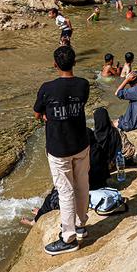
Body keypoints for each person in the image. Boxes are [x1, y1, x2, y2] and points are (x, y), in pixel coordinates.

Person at [33, 46, 90, 255]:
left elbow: (37, 114)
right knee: (82, 184)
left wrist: (49, 116)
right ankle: (81, 225)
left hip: (59, 148)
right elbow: (79, 105)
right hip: (81, 144)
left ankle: (69, 238)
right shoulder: (83, 84)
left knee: (65, 191)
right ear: (75, 62)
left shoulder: (47, 88)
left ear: (55, 64)